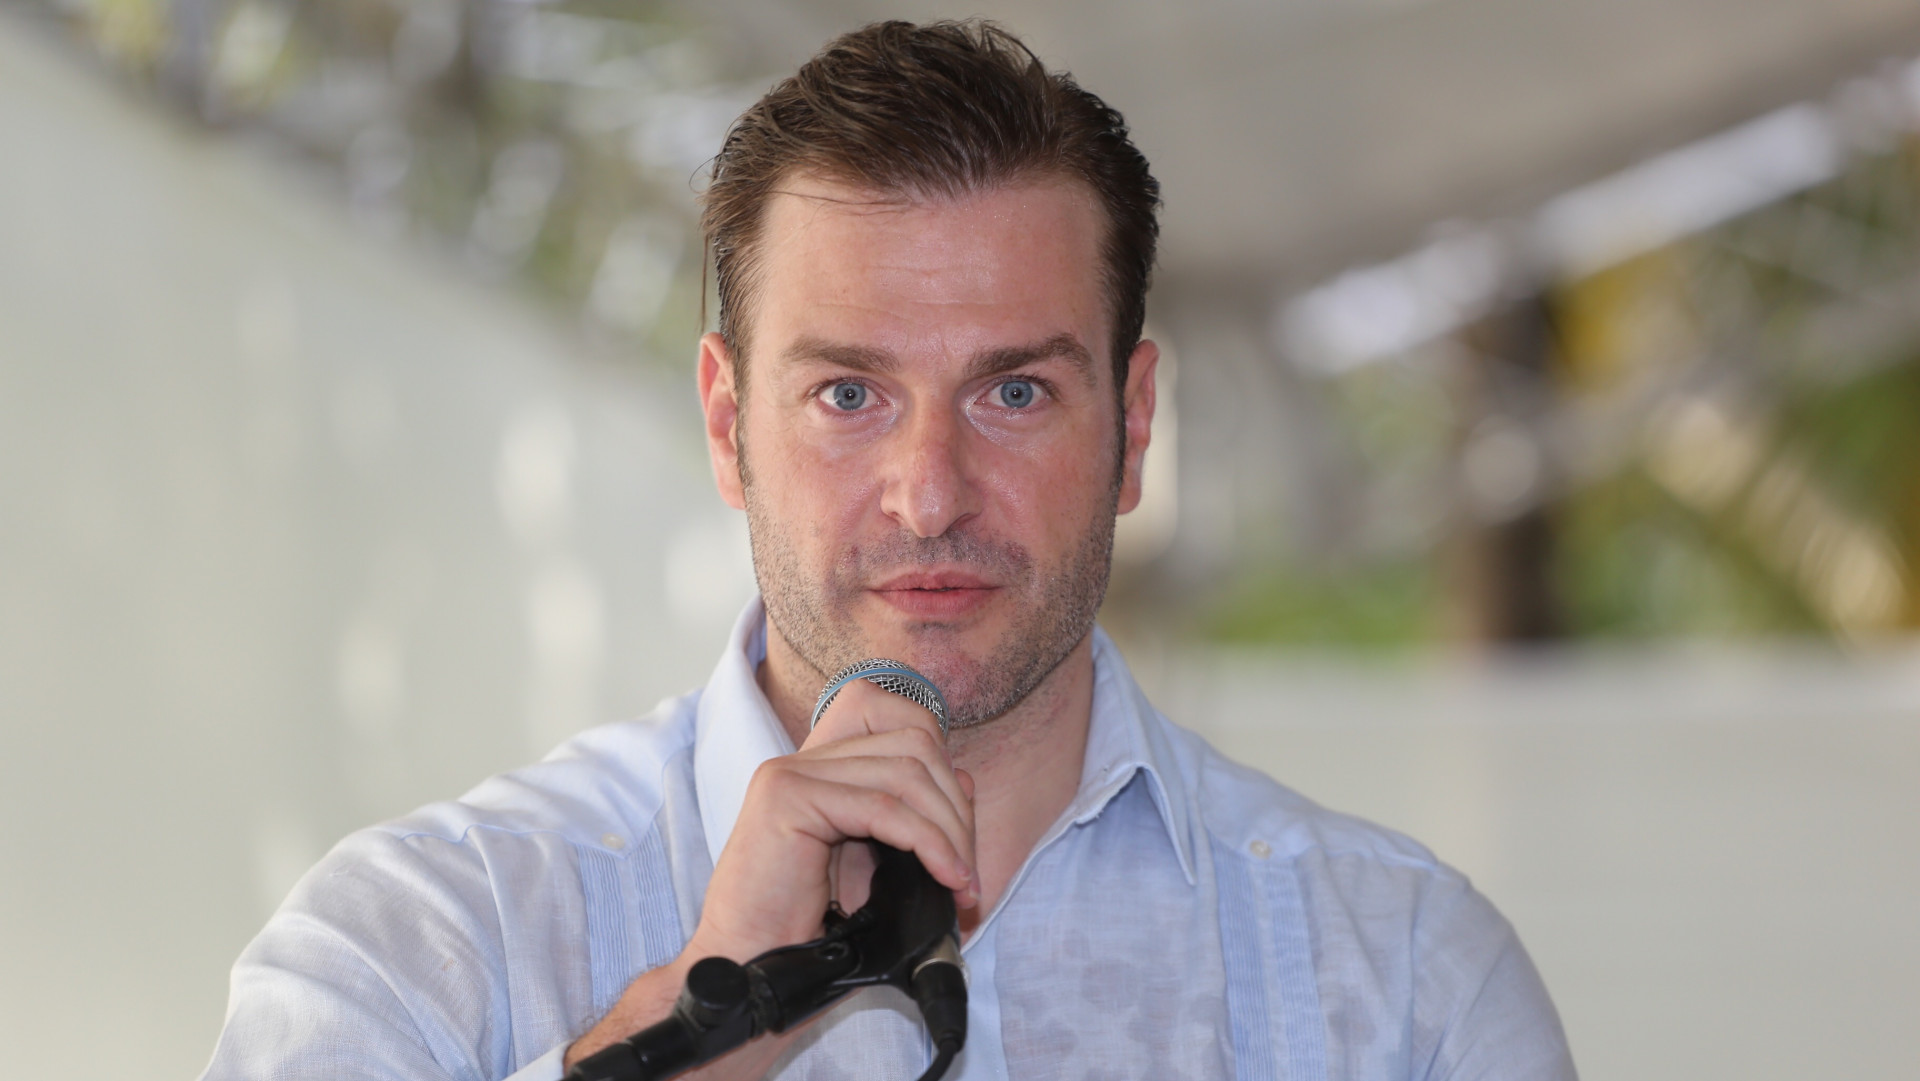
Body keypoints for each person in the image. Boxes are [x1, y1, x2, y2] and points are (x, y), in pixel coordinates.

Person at [201, 19, 1575, 1081]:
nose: (929, 496)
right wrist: (701, 1019)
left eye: (1014, 391)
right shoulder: (425, 940)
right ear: (728, 425)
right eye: (849, 394)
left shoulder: (1406, 982)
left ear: (1134, 424)